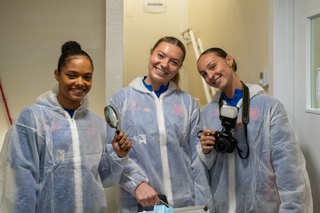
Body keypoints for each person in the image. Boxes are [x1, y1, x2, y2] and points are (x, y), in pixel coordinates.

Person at [0, 41, 132, 213]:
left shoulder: (96, 124)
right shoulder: (32, 120)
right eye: (72, 75)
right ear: (57, 74)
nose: (80, 82)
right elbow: (19, 182)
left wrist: (118, 154)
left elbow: (100, 177)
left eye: (87, 77)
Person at [196, 47, 313, 212]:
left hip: (261, 205)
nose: (210, 76)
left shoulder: (269, 107)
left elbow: (288, 167)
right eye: (204, 74)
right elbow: (203, 168)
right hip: (222, 205)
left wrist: (292, 209)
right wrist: (206, 151)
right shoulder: (208, 112)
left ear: (229, 60)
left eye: (213, 67)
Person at [108, 36, 212, 213]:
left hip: (183, 204)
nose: (164, 65)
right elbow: (111, 152)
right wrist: (136, 184)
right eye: (160, 56)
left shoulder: (187, 103)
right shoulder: (122, 99)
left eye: (174, 62)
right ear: (151, 54)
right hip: (139, 203)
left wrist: (203, 205)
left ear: (179, 67)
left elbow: (197, 159)